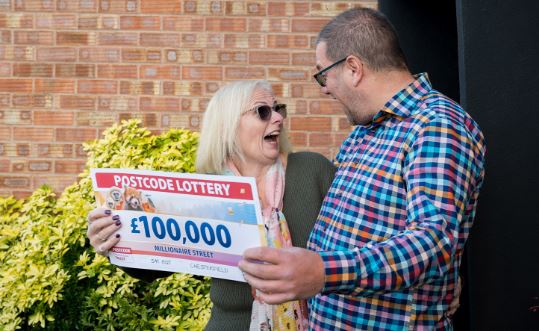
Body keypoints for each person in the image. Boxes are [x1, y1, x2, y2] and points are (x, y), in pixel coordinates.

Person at [238, 7, 486, 330]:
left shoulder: (437, 125)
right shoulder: (363, 132)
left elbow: (432, 243)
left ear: (353, 68)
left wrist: (323, 271)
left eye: (323, 74)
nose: (324, 88)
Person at [86, 80, 336, 330]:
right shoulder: (207, 191)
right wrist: (116, 239)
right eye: (263, 111)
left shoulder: (313, 170)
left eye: (278, 108)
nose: (278, 118)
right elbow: (156, 262)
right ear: (228, 126)